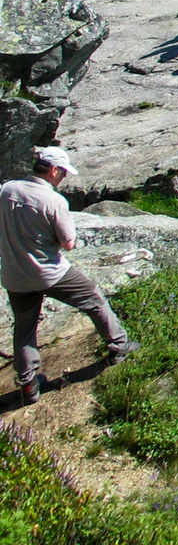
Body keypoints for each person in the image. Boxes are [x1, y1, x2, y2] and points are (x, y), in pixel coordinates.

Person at [2, 147, 139, 405]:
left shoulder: (7, 190)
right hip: (50, 272)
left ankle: (29, 385)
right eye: (63, 172)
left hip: (14, 274)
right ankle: (119, 346)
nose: (64, 177)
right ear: (54, 170)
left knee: (24, 328)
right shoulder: (54, 201)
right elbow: (68, 243)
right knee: (94, 300)